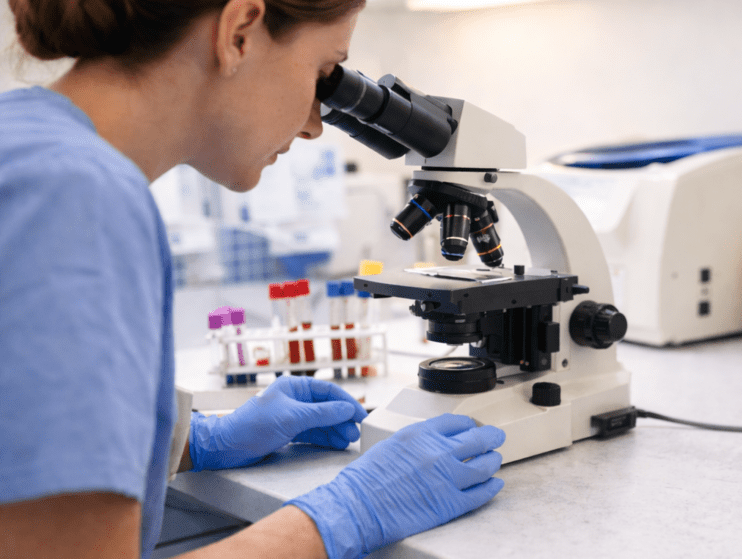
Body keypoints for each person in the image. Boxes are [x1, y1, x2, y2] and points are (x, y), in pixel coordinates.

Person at [0, 1, 506, 558]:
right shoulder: (74, 197)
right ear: (239, 32)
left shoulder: (25, 145)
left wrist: (192, 440)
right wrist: (344, 516)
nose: (315, 124)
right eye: (322, 72)